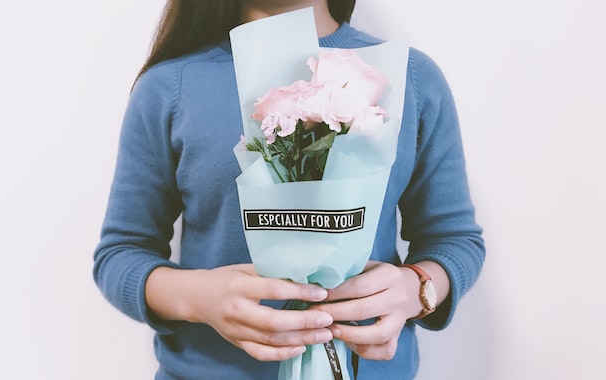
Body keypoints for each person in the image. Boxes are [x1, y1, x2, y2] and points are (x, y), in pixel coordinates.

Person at [93, 0, 485, 379]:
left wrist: (417, 289)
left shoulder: (410, 77)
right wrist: (200, 298)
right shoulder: (169, 87)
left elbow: (453, 239)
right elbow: (121, 252)